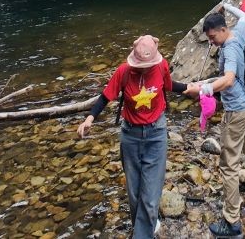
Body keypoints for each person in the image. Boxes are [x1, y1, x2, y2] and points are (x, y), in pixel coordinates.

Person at [78, 35, 191, 238]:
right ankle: (144, 225)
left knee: (150, 195)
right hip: (130, 135)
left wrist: (191, 88)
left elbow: (168, 85)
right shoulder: (124, 71)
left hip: (156, 133)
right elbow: (106, 95)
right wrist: (90, 118)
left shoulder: (161, 66)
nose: (143, 68)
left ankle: (142, 233)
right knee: (134, 193)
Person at [184, 2, 245, 238]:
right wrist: (226, 6)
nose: (211, 42)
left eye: (212, 37)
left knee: (228, 165)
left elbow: (228, 79)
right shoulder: (238, 31)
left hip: (237, 111)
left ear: (222, 30)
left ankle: (232, 223)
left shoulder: (229, 48)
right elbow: (242, 15)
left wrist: (205, 90)